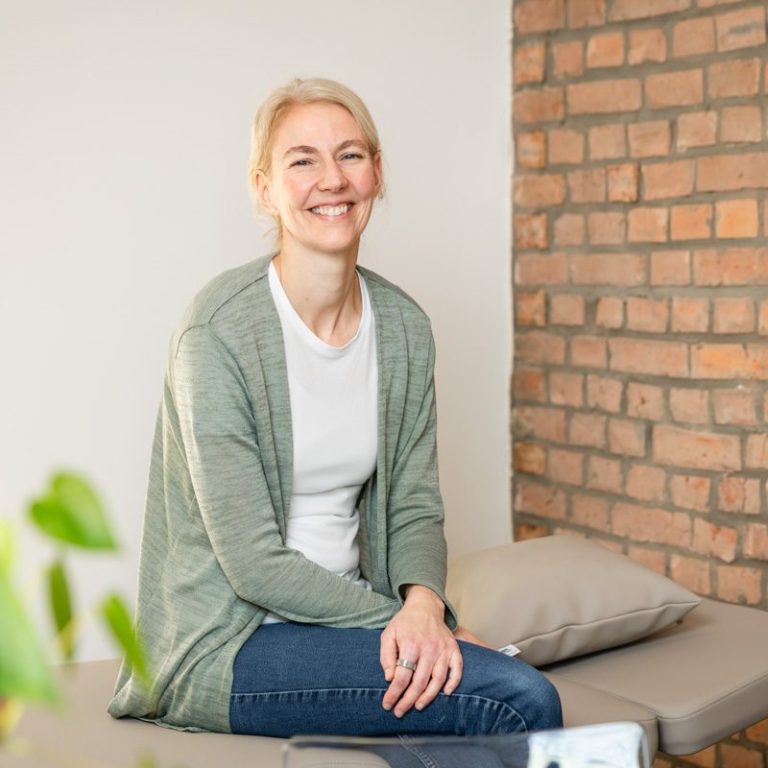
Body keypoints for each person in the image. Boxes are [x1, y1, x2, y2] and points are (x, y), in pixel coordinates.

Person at [108, 77, 562, 747]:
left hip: (353, 623)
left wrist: (424, 605)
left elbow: (414, 506)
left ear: (376, 172)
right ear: (264, 189)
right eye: (303, 160)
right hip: (229, 641)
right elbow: (254, 564)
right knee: (518, 698)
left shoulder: (404, 328)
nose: (333, 179)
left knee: (481, 699)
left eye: (350, 155)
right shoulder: (216, 333)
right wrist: (411, 624)